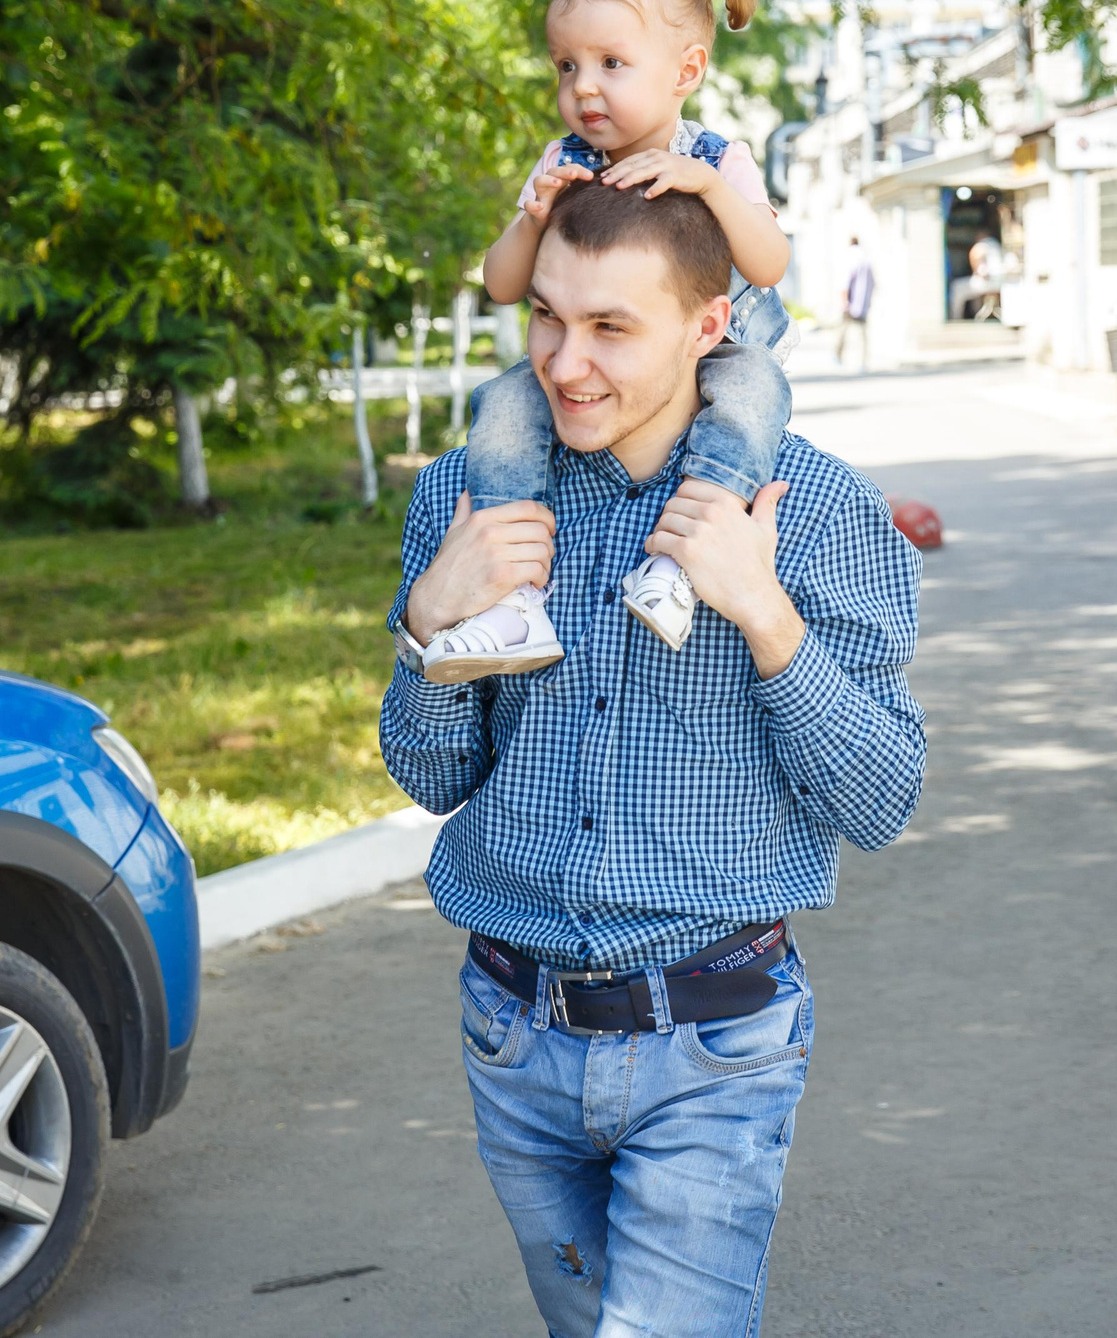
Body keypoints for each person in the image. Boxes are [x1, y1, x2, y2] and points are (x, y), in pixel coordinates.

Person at [380, 179, 926, 1338]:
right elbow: (431, 778)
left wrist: (761, 611)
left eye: (610, 328)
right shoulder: (468, 499)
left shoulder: (817, 511)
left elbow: (882, 800)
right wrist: (430, 623)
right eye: (545, 316)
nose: (563, 363)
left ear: (705, 327)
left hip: (714, 1046)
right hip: (510, 1032)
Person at [418, 0, 793, 682]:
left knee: (755, 393)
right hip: (620, 366)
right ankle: (513, 593)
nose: (583, 87)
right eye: (566, 66)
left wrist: (709, 190)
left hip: (723, 351)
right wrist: (532, 218)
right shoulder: (562, 161)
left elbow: (768, 264)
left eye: (611, 63)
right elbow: (502, 283)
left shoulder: (718, 159)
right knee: (503, 402)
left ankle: (687, 556)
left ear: (686, 71)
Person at [836, 235, 874, 369]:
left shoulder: (849, 257)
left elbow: (845, 282)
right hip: (862, 303)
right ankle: (863, 362)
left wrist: (844, 301)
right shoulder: (866, 259)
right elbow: (873, 282)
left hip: (850, 301)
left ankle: (837, 355)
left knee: (843, 331)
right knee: (862, 334)